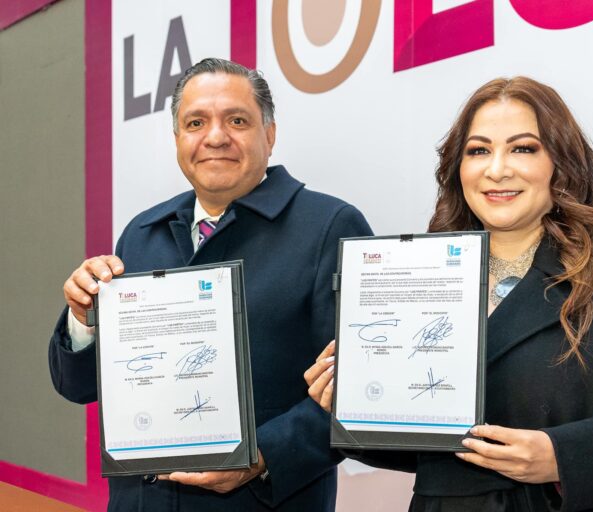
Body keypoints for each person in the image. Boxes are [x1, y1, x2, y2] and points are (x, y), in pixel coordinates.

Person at [304, 76, 593, 511]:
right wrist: (351, 410)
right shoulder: (421, 276)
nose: (497, 168)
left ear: (560, 164)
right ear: (458, 168)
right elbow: (433, 449)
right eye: (478, 150)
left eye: (523, 148)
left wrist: (562, 458)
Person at [48, 58, 372, 512]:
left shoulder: (330, 227)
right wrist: (83, 321)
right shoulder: (142, 232)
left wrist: (261, 457)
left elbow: (365, 390)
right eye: (195, 122)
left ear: (270, 135)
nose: (215, 137)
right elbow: (79, 387)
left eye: (237, 120)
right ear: (178, 139)